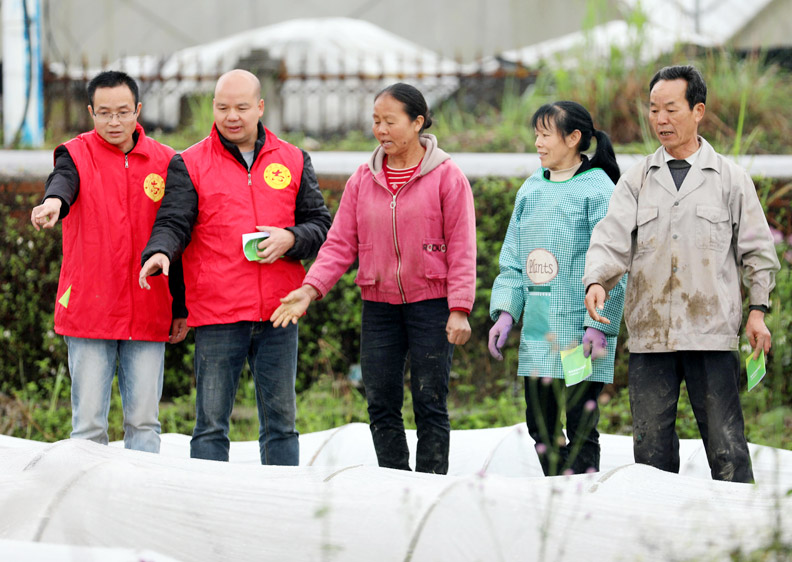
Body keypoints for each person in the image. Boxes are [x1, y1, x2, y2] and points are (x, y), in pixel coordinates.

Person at [583, 65, 780, 483]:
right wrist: (597, 280)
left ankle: (739, 534)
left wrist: (758, 309)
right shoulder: (636, 179)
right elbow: (610, 238)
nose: (661, 119)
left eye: (671, 109)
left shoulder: (730, 179)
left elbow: (757, 251)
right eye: (654, 110)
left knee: (727, 448)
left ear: (698, 111)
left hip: (710, 332)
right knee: (650, 453)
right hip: (651, 336)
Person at [271, 83, 476, 474]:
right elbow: (338, 245)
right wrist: (309, 289)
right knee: (380, 403)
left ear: (417, 122)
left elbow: (464, 248)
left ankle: (430, 485)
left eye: (390, 121)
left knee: (429, 401)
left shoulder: (448, 178)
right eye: (376, 121)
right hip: (379, 307)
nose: (381, 130)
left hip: (431, 305)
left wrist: (459, 308)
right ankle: (393, 483)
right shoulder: (362, 180)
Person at [139, 69, 331, 465]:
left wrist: (291, 239)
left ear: (260, 108)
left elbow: (321, 225)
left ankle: (282, 505)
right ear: (213, 107)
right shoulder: (189, 162)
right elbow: (173, 222)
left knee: (281, 423)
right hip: (217, 312)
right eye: (223, 107)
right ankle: (207, 512)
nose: (232, 116)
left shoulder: (293, 159)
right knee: (210, 425)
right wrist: (159, 252)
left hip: (280, 311)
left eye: (242, 107)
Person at [29, 70, 187, 453]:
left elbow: (177, 233)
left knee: (145, 423)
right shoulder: (76, 154)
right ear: (91, 113)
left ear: (138, 110)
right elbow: (62, 183)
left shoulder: (168, 162)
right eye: (104, 113)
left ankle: (141, 504)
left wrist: (179, 306)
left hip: (148, 306)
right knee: (87, 426)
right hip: (90, 308)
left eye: (122, 112)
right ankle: (87, 509)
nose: (113, 122)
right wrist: (53, 203)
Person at [487, 101, 626, 476]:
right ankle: (556, 491)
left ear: (574, 138)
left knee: (581, 425)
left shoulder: (597, 190)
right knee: (542, 426)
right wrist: (505, 312)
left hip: (580, 332)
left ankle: (583, 497)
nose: (538, 142)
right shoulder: (531, 188)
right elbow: (513, 259)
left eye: (545, 134)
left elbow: (613, 263)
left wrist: (599, 324)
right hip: (538, 329)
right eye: (536, 134)